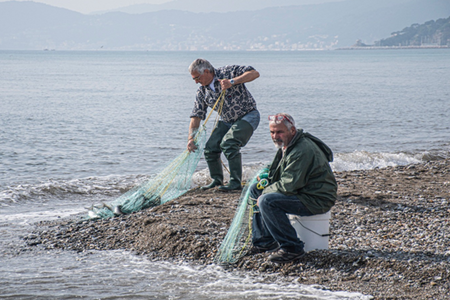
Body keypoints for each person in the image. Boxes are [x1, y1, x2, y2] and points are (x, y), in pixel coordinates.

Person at [249, 113, 337, 263]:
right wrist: (265, 178)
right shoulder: (289, 144)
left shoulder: (302, 149)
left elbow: (288, 185)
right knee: (255, 189)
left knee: (267, 201)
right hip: (302, 190)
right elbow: (281, 170)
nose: (275, 136)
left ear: (292, 131)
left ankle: (292, 248)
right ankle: (264, 242)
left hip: (316, 198)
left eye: (279, 132)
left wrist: (264, 193)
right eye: (272, 132)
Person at [187, 58, 260, 191]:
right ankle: (217, 180)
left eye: (197, 78)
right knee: (210, 149)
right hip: (227, 120)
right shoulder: (202, 92)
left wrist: (233, 81)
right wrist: (191, 139)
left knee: (229, 143)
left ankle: (235, 183)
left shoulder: (228, 72)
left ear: (207, 72)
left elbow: (254, 73)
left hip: (249, 115)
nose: (196, 82)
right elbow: (196, 116)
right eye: (194, 79)